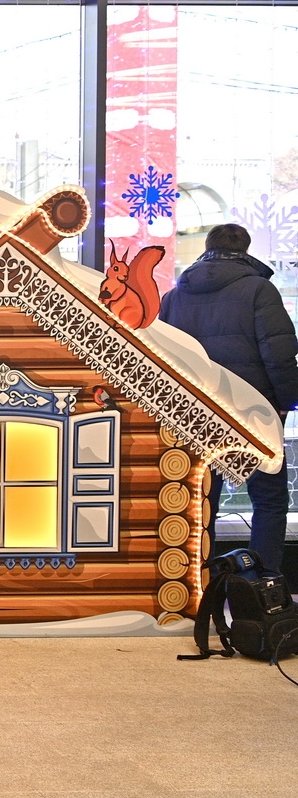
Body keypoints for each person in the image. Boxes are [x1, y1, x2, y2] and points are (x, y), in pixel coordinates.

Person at [159, 223, 298, 571]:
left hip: (198, 412)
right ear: (246, 250)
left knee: (202, 498)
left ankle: (198, 581)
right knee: (268, 499)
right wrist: (287, 401)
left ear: (206, 248)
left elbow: (164, 358)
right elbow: (279, 353)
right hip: (255, 412)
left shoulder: (175, 296)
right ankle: (258, 586)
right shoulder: (259, 290)